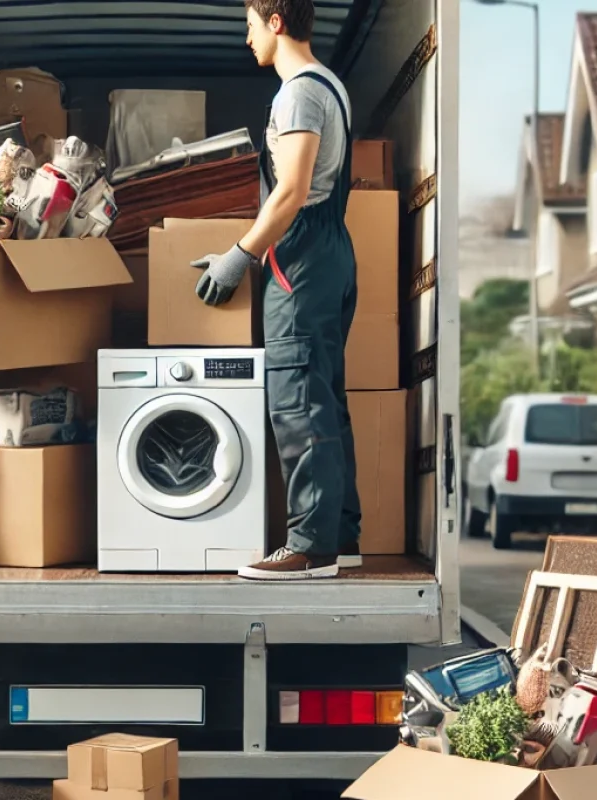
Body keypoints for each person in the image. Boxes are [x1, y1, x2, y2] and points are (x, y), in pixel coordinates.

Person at [192, 0, 361, 581]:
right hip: (329, 249)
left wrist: (239, 256)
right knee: (326, 399)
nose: (247, 40)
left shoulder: (299, 93)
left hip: (303, 257)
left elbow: (290, 191)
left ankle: (309, 547)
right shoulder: (329, 85)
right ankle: (340, 534)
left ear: (276, 22)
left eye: (249, 26)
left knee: (298, 402)